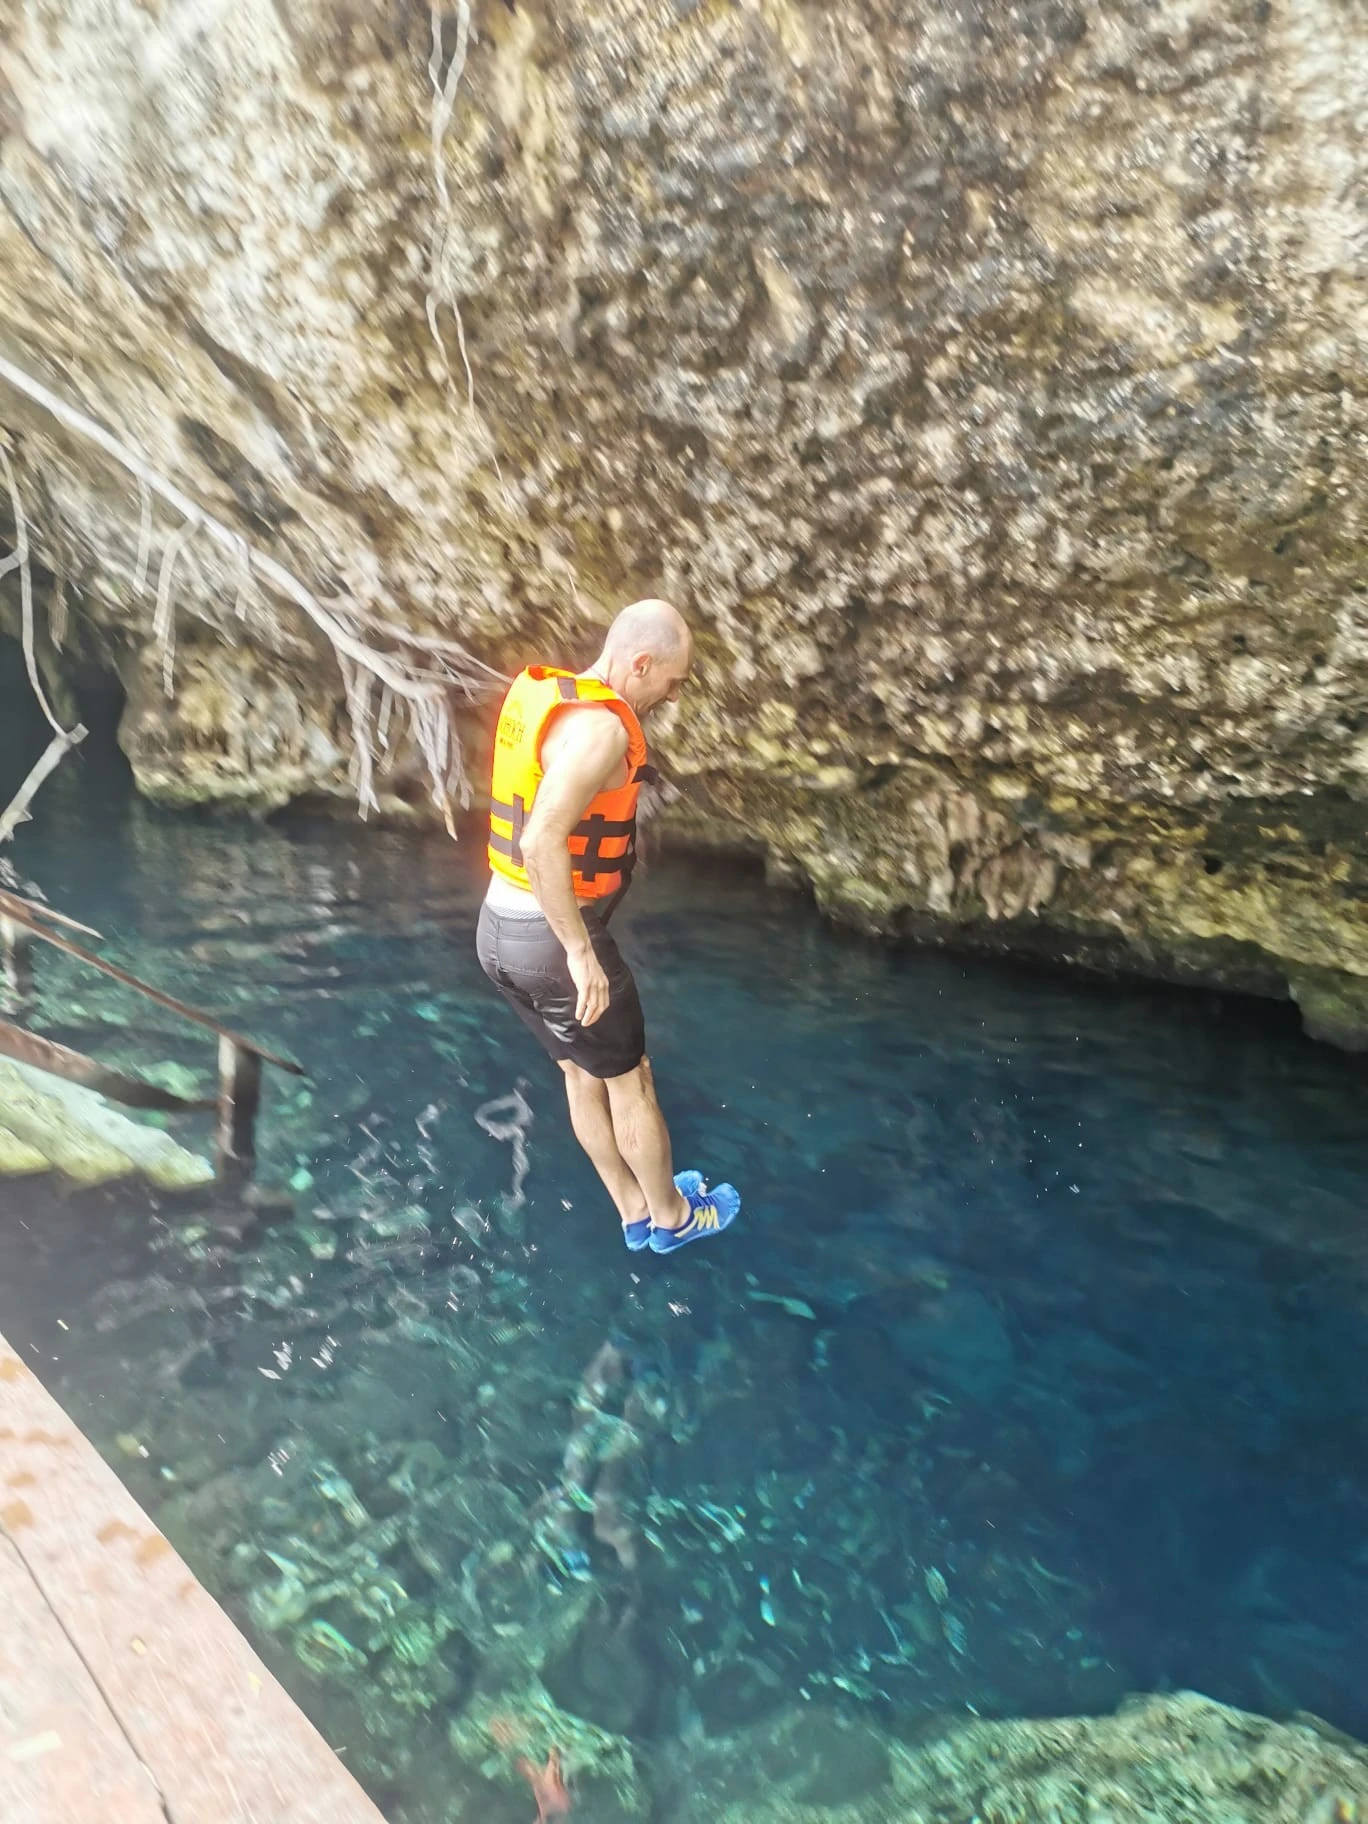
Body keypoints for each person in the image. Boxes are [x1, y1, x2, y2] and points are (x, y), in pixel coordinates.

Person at [476, 599, 741, 1253]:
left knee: (579, 1074)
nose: (674, 694)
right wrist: (579, 952)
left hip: (496, 931)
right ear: (640, 662)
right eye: (672, 680)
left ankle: (634, 1211)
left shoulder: (557, 703)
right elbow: (541, 840)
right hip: (549, 941)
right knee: (632, 1078)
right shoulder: (603, 731)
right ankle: (676, 1216)